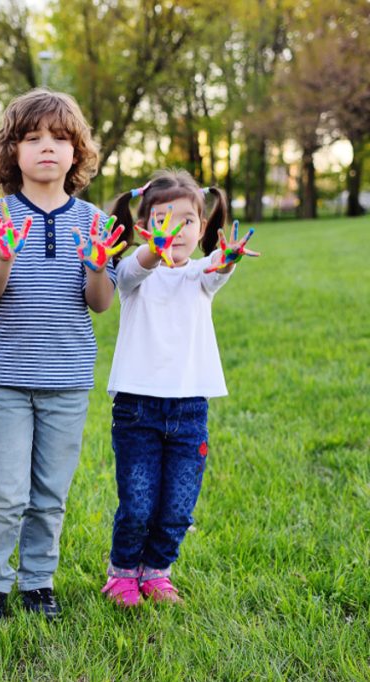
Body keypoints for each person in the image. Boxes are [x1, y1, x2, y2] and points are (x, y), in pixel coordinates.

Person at [0, 88, 117, 622]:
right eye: (33, 138)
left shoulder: (95, 222)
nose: (46, 147)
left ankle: (37, 583)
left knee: (49, 493)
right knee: (6, 491)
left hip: (68, 379)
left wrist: (98, 267)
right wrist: (3, 256)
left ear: (77, 152)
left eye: (59, 138)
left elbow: (100, 304)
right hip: (6, 377)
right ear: (13, 153)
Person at [100, 170, 259, 606]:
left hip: (190, 410)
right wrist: (155, 249)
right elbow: (133, 270)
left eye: (188, 220)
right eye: (164, 219)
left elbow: (218, 269)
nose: (178, 229)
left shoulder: (201, 273)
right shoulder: (135, 271)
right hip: (137, 409)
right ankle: (122, 573)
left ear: (203, 227)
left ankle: (157, 572)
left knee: (177, 508)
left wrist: (227, 258)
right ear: (146, 228)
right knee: (137, 503)